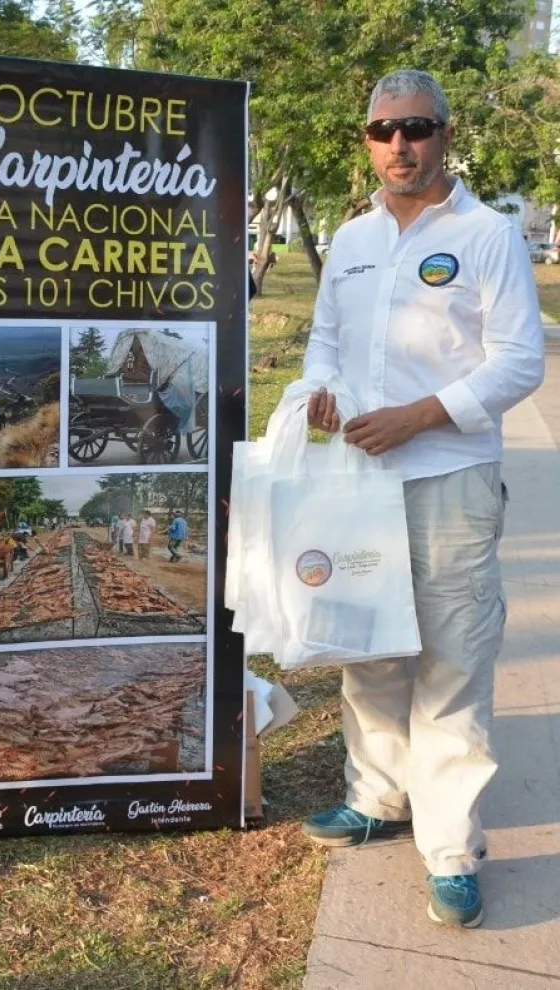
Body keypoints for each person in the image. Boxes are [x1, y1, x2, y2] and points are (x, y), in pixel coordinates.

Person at [300, 70, 544, 929]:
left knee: (451, 660)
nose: (399, 144)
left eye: (416, 127)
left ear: (444, 135)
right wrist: (322, 391)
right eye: (383, 130)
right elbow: (324, 341)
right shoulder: (352, 237)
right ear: (368, 141)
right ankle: (377, 799)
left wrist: (420, 416)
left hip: (449, 480)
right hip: (360, 482)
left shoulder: (488, 234)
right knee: (368, 649)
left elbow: (520, 360)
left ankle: (450, 850)